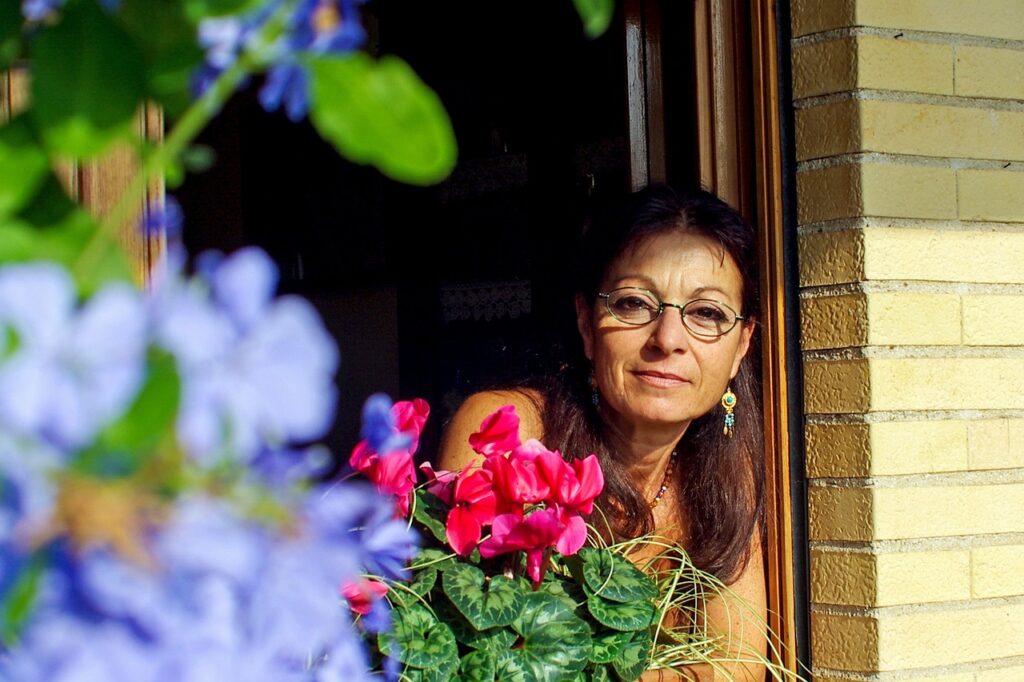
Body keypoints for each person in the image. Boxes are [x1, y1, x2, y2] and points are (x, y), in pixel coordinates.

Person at [437, 185, 767, 681]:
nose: (668, 340)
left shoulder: (720, 466)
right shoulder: (508, 431)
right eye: (634, 304)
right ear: (586, 325)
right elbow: (479, 659)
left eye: (707, 314)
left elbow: (738, 664)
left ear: (741, 346)